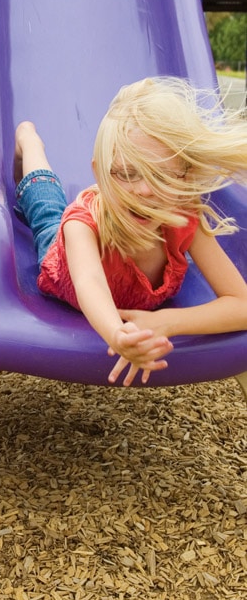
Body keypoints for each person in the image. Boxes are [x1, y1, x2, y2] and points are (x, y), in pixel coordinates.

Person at [13, 76, 247, 387]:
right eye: (126, 173)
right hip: (63, 265)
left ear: (185, 179)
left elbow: (242, 304)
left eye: (161, 176)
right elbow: (90, 283)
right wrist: (117, 334)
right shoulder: (82, 226)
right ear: (99, 173)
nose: (144, 190)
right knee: (45, 207)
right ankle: (29, 141)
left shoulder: (183, 217)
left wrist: (167, 322)